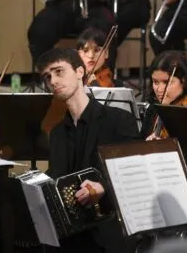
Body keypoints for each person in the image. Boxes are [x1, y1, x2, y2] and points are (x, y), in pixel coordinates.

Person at [37, 48, 139, 253]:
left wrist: (103, 188)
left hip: (107, 234)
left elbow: (134, 174)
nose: (53, 81)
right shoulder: (57, 133)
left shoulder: (118, 120)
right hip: (70, 236)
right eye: (48, 77)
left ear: (80, 72)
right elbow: (58, 180)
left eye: (59, 72)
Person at [141, 51, 187, 141]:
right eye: (155, 82)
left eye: (166, 82)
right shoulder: (153, 109)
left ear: (184, 81)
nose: (159, 89)